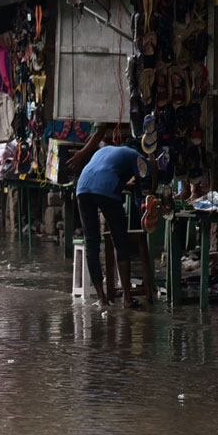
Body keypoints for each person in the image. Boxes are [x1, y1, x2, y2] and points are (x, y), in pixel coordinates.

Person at [75, 131, 157, 307]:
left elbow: (103, 172)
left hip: (82, 187)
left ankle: (102, 298)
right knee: (120, 241)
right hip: (104, 188)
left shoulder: (105, 151)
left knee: (92, 243)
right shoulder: (137, 156)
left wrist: (121, 185)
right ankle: (127, 298)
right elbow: (143, 189)